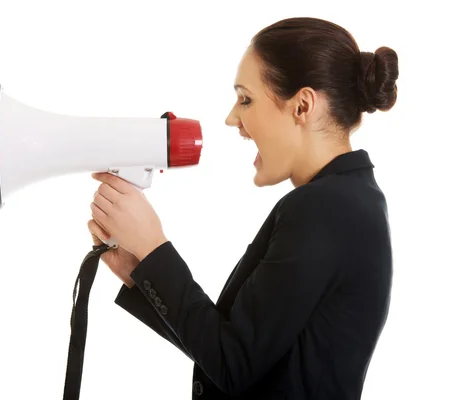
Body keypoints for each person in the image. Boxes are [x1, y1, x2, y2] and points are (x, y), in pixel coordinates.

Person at [87, 16, 397, 399]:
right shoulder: (349, 201)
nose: (233, 118)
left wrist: (153, 246)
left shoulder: (325, 209)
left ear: (302, 105)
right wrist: (142, 272)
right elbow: (237, 352)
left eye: (246, 99)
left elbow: (233, 364)